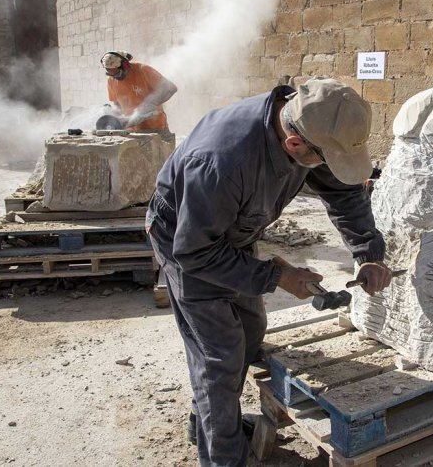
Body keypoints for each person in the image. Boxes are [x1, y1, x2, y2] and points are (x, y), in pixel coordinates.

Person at [146, 78, 393, 466]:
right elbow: (196, 252)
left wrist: (368, 252)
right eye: (324, 160)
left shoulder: (310, 125)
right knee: (219, 355)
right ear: (294, 146)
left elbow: (344, 192)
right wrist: (277, 277)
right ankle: (224, 457)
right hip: (188, 240)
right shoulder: (221, 162)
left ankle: (206, 419)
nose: (328, 168)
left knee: (249, 329)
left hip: (229, 231)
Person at [100, 51, 177, 133]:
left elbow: (170, 88)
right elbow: (117, 105)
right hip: (131, 130)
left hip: (155, 128)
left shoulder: (142, 70)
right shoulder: (111, 80)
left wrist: (148, 105)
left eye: (117, 73)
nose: (116, 77)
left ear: (125, 65)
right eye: (111, 74)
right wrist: (115, 116)